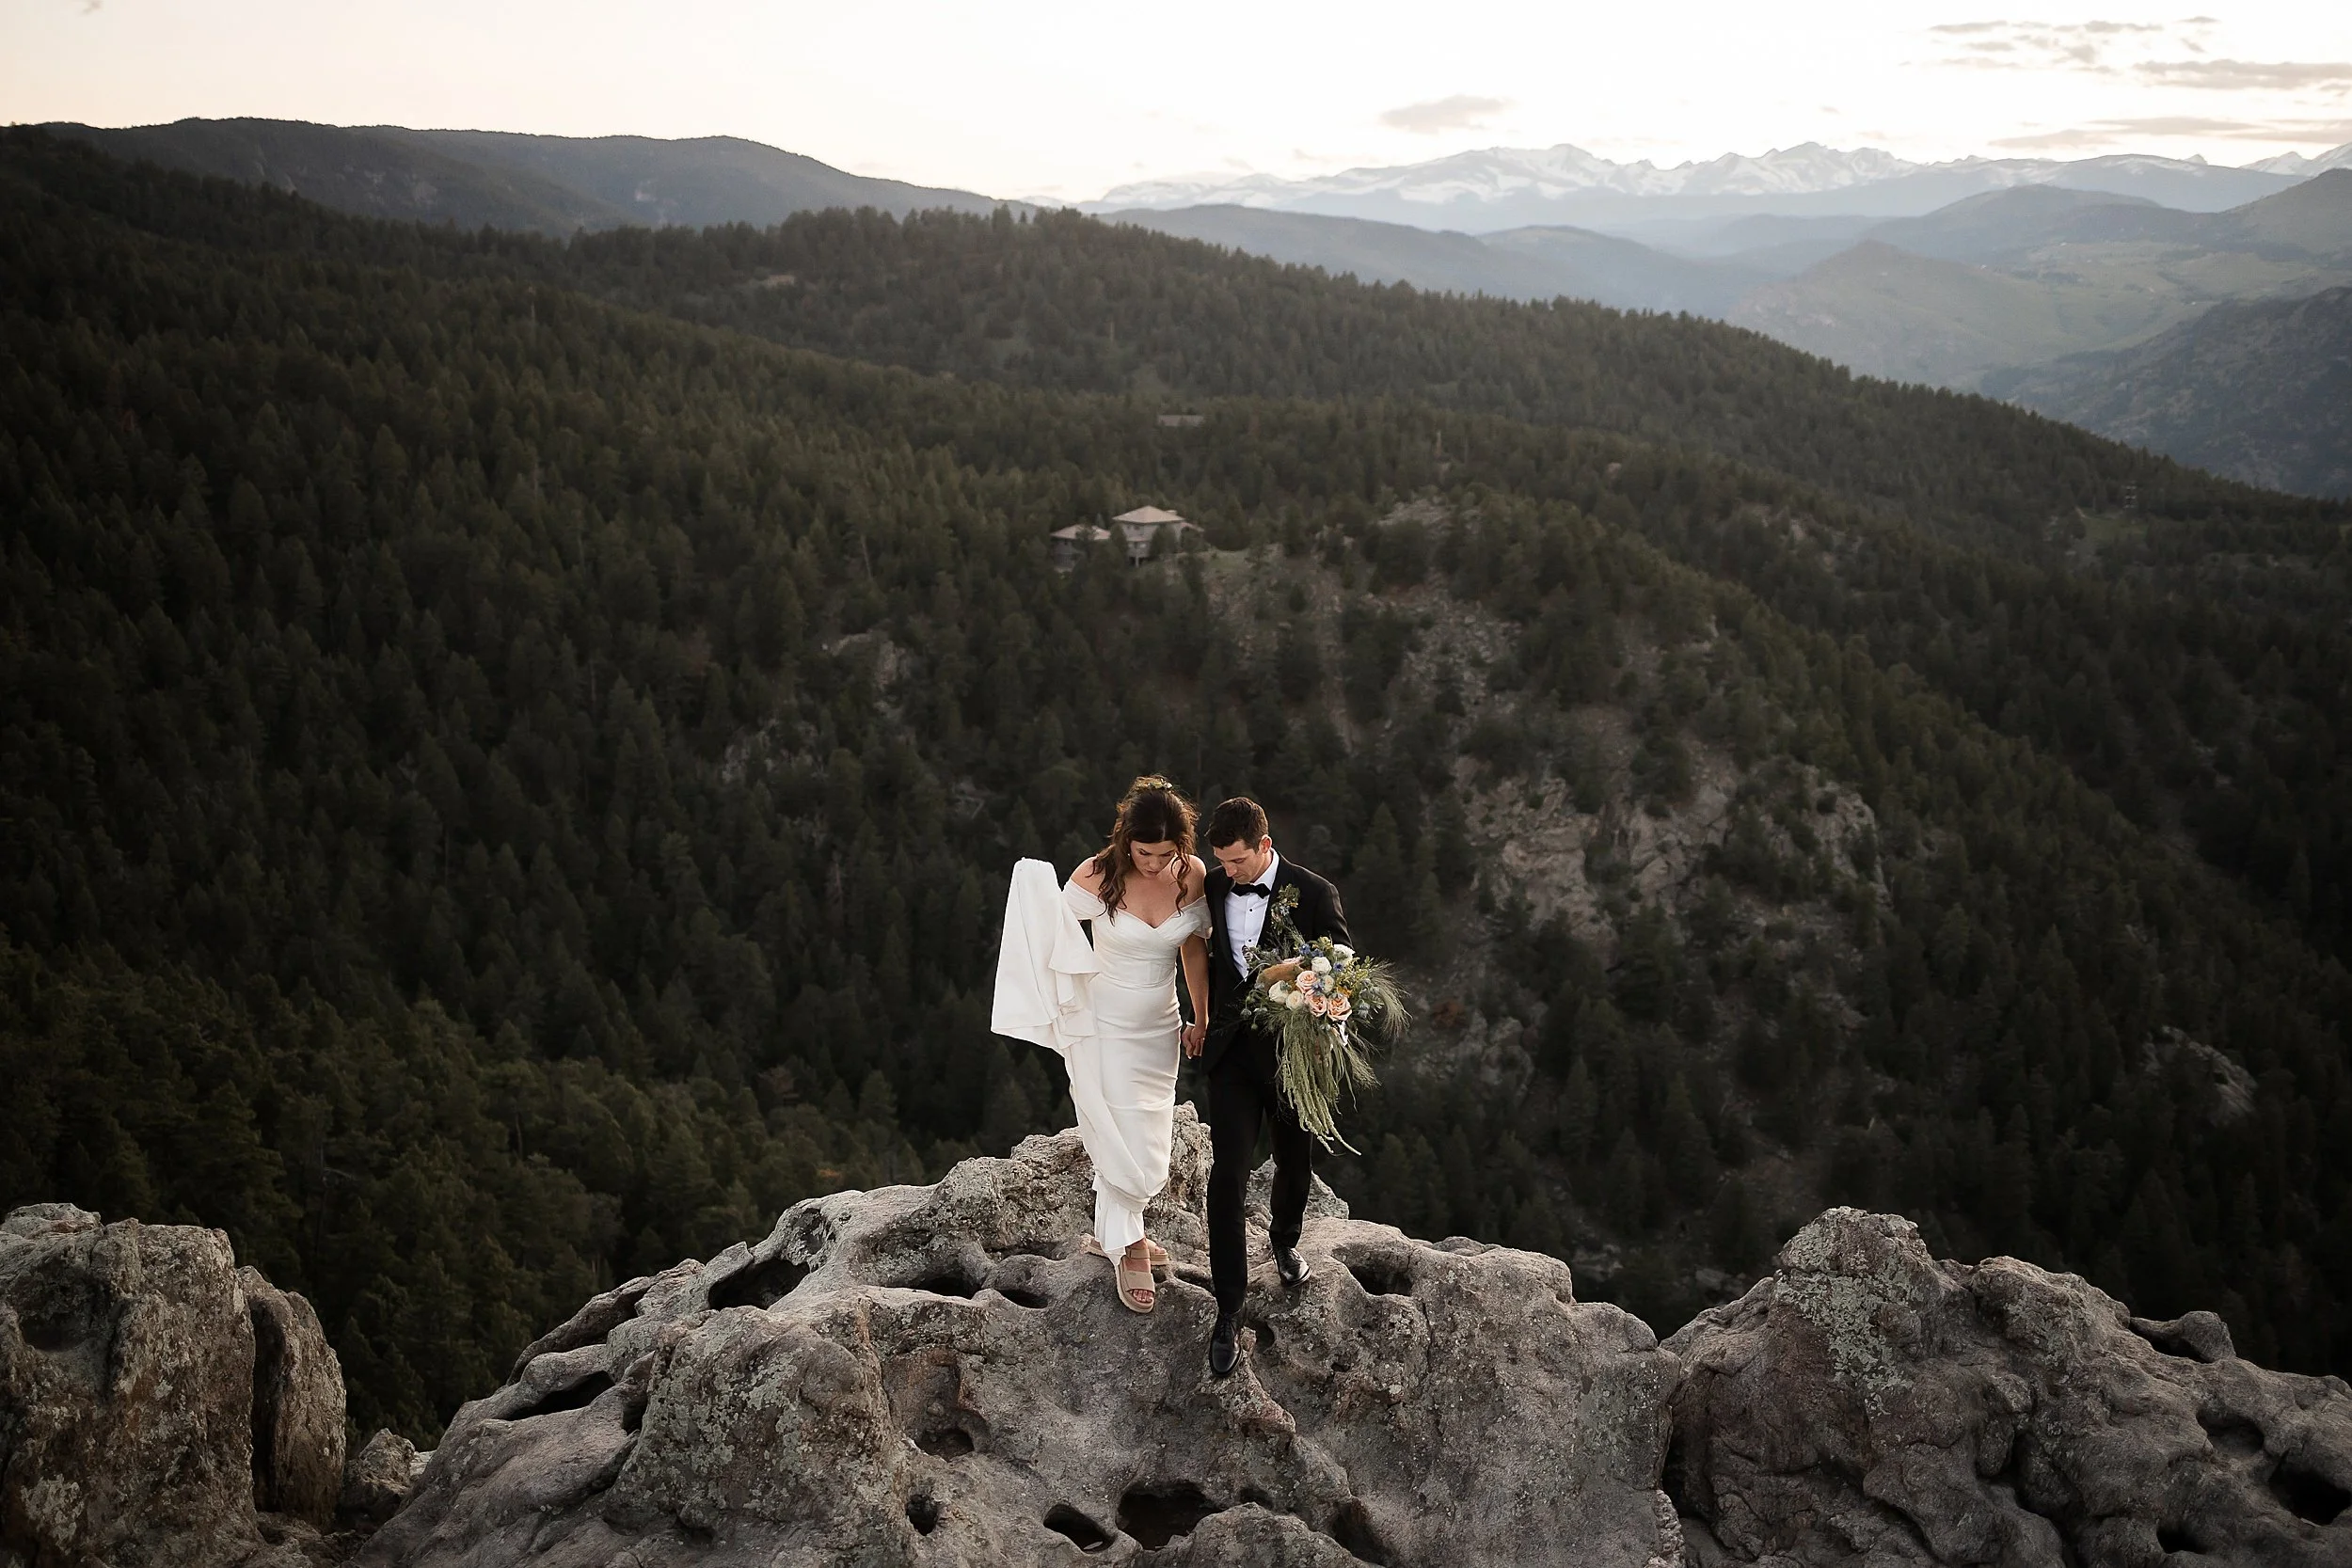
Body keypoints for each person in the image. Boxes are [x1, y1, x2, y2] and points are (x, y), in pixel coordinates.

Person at [1195, 796, 1349, 1377]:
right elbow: (1202, 956)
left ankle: (1284, 1241)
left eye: (1237, 861)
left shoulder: (1315, 892)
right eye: (1222, 861)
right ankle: (1228, 1308)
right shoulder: (1214, 886)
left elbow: (1341, 965)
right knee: (1227, 1176)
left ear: (1264, 845)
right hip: (1231, 1055)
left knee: (1293, 1159)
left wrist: (1306, 990)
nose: (1228, 872)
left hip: (1292, 1056)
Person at [1052, 777, 1211, 1313]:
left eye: (1165, 853)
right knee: (1118, 1127)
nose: (1155, 864)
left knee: (1151, 1132)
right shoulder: (1096, 875)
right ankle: (1131, 1245)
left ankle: (1113, 1233)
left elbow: (1193, 950)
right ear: (1126, 841)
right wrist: (1068, 997)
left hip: (1160, 1023)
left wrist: (1201, 1017)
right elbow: (1052, 934)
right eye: (1145, 853)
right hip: (1106, 1022)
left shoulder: (1191, 874)